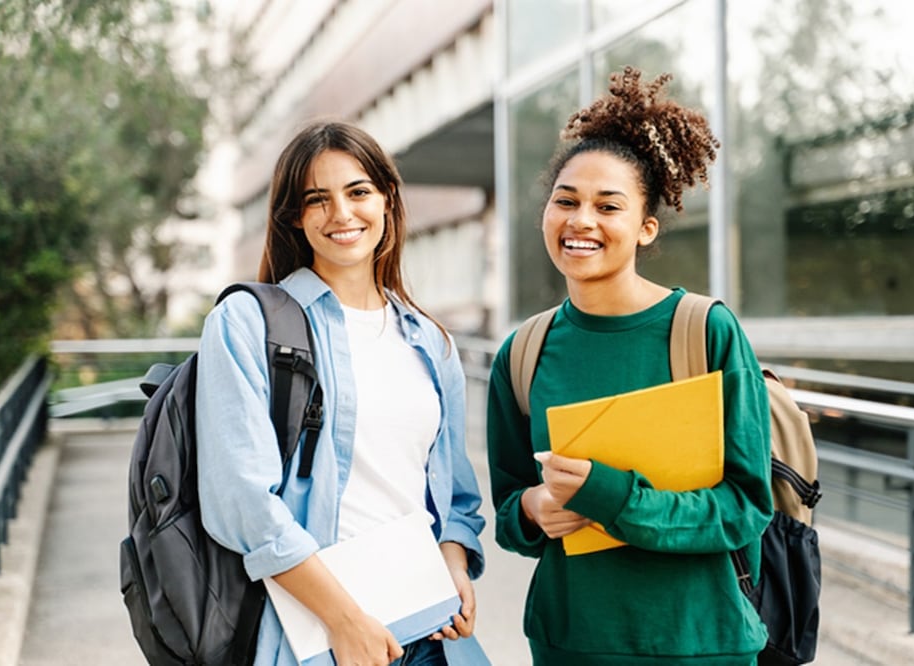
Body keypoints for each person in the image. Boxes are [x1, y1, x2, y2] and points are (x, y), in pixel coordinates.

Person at [486, 67, 774, 665]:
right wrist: (535, 509)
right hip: (571, 643)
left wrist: (611, 496)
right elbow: (511, 512)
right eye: (565, 201)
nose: (581, 221)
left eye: (607, 206)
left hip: (700, 642)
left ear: (645, 228)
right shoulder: (523, 352)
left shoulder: (704, 330)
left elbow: (746, 507)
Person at [195, 120, 487, 666]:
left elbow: (455, 497)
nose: (342, 214)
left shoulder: (431, 341)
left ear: (387, 200)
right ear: (295, 218)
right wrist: (344, 621)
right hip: (318, 638)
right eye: (317, 200)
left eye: (358, 192)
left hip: (433, 632)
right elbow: (242, 501)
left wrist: (453, 561)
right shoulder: (247, 322)